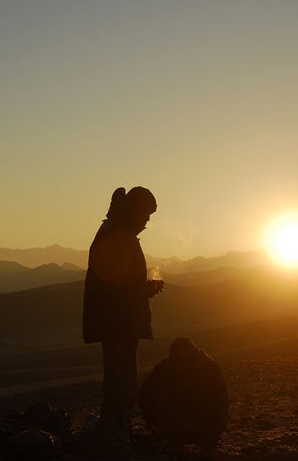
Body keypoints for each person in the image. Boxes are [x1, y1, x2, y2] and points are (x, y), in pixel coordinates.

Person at [82, 186, 164, 460]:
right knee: (121, 385)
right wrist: (145, 290)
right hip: (118, 325)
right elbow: (116, 287)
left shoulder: (116, 233)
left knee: (121, 384)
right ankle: (113, 442)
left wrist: (142, 288)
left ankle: (117, 437)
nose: (147, 222)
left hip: (118, 325)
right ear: (135, 211)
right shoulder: (118, 237)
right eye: (146, 214)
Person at [138, 337, 229, 460]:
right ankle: (196, 443)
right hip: (183, 422)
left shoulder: (207, 368)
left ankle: (203, 444)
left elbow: (220, 402)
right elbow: (146, 394)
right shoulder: (168, 368)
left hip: (200, 423)